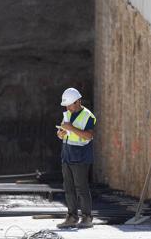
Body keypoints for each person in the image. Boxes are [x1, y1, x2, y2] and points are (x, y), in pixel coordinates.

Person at [56, 88, 96, 229]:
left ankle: (87, 217)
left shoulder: (88, 116)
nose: (67, 107)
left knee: (81, 188)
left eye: (69, 105)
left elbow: (88, 136)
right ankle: (72, 216)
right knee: (68, 188)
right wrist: (61, 133)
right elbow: (65, 132)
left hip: (80, 157)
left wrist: (70, 128)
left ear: (78, 101)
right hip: (67, 155)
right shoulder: (67, 114)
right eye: (66, 105)